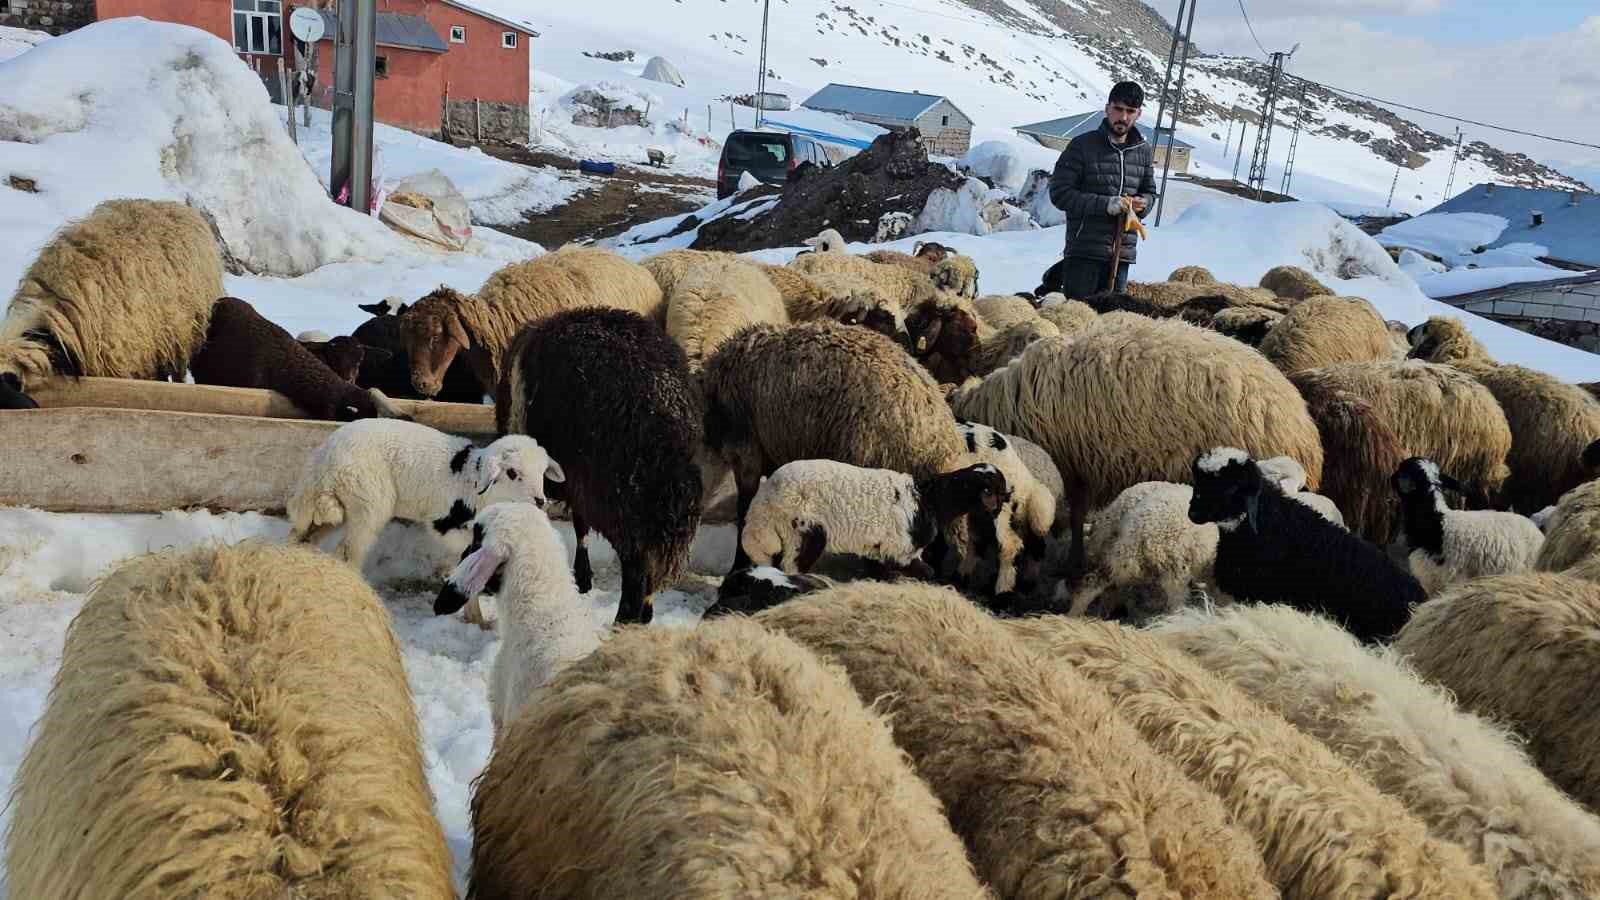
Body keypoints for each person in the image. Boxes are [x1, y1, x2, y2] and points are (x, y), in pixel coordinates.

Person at [1045, 81, 1158, 297]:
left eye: (1130, 111)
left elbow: (1151, 193)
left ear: (1139, 114)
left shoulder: (1143, 151)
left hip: (1122, 253)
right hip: (1084, 253)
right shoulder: (1082, 146)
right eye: (1118, 109)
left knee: (1112, 326)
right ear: (1107, 109)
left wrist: (1143, 203)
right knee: (1076, 320)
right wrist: (1107, 205)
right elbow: (1060, 193)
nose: (1123, 117)